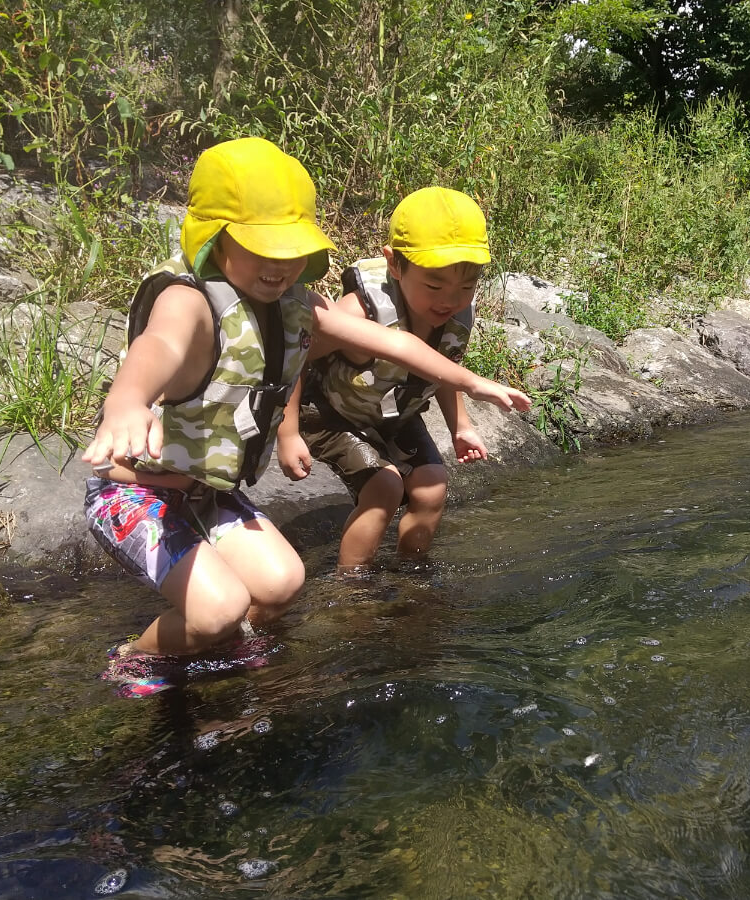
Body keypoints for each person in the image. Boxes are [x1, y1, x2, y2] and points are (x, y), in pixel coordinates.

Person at [81, 137, 337, 687]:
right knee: (218, 610)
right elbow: (159, 348)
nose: (280, 266)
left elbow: (382, 342)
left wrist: (467, 379)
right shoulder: (188, 300)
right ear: (215, 236)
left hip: (205, 492)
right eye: (261, 248)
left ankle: (208, 650)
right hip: (133, 491)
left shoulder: (286, 304)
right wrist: (126, 401)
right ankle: (132, 662)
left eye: (291, 250)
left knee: (282, 585)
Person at [280, 187, 532, 576]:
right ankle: (352, 590)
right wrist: (288, 431)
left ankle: (411, 574)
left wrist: (460, 427)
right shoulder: (359, 311)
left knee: (432, 487)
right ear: (395, 264)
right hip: (330, 414)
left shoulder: (453, 316)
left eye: (466, 287)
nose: (450, 300)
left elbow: (440, 369)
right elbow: (293, 357)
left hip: (392, 415)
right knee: (385, 487)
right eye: (435, 285)